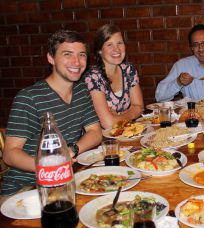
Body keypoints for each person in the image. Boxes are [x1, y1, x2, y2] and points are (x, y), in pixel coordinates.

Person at [2, 30, 102, 196]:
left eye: (82, 54)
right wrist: (51, 166)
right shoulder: (29, 98)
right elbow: (10, 154)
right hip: (25, 189)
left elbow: (95, 132)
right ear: (51, 58)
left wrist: (71, 151)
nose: (76, 61)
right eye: (67, 54)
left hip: (65, 180)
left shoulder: (81, 90)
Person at [84, 24, 144, 129]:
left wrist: (117, 116)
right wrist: (130, 114)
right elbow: (108, 124)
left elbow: (139, 107)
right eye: (109, 45)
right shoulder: (93, 77)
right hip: (101, 140)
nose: (116, 49)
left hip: (124, 133)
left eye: (119, 43)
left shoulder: (128, 69)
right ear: (99, 50)